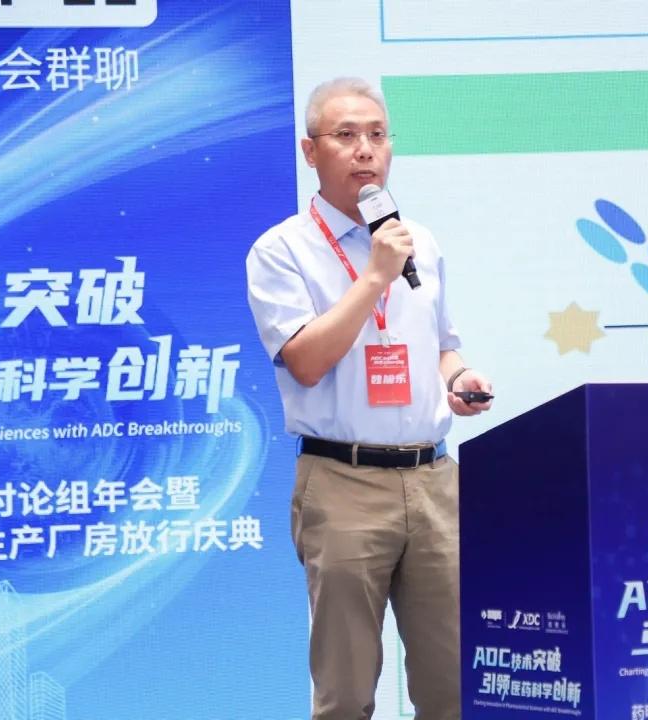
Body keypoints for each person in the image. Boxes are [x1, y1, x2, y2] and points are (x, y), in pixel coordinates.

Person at [246, 77, 492, 720]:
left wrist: (459, 380)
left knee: (454, 685)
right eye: (346, 135)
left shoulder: (420, 243)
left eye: (378, 135)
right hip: (342, 481)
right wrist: (375, 275)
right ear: (310, 151)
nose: (365, 149)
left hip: (435, 480)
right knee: (347, 691)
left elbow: (442, 347)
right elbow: (306, 361)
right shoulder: (281, 250)